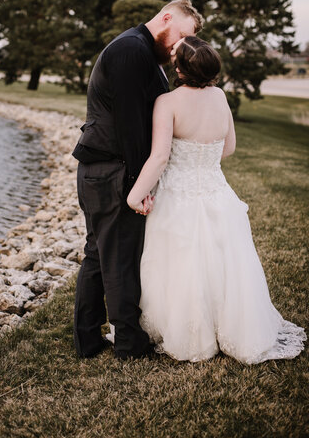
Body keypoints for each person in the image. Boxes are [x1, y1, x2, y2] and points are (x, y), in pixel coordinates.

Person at [126, 36, 306, 364]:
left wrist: (135, 196)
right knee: (224, 265)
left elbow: (160, 157)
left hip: (178, 196)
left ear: (178, 67)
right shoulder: (220, 97)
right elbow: (229, 148)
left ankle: (192, 336)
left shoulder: (167, 103)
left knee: (182, 264)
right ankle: (230, 329)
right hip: (217, 192)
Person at [72, 0, 204, 359]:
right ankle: (129, 343)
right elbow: (132, 125)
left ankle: (87, 339)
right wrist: (136, 186)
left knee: (100, 255)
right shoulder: (132, 50)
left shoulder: (141, 50)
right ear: (165, 19)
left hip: (104, 169)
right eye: (181, 36)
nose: (181, 46)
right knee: (119, 259)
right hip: (112, 169)